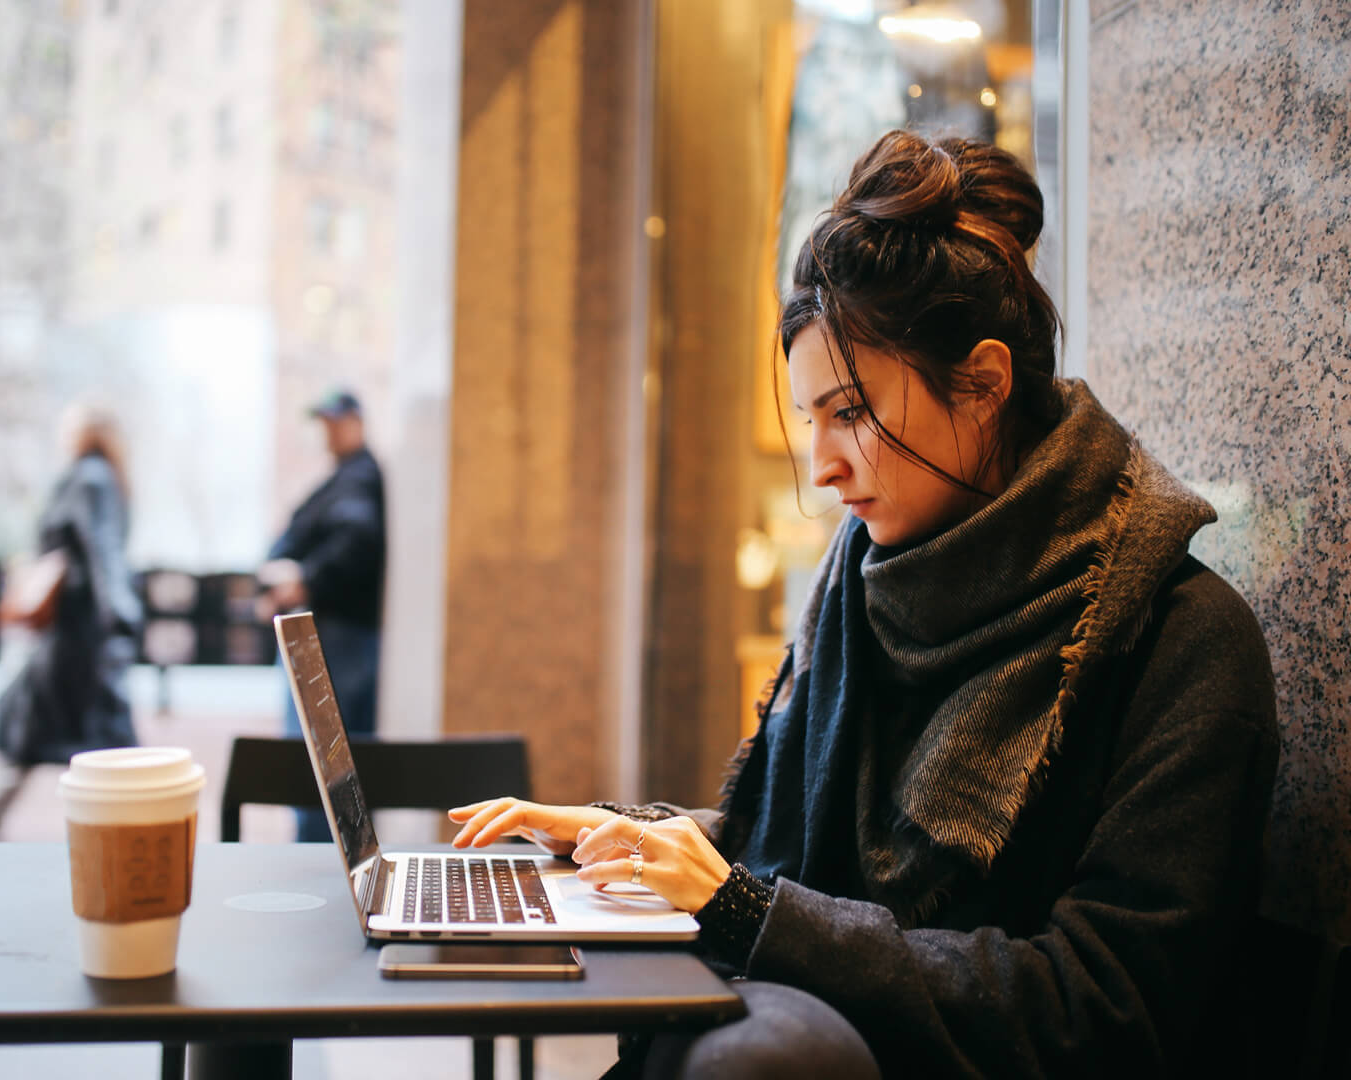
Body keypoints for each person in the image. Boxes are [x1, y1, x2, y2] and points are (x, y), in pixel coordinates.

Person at [447, 131, 1280, 1078]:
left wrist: (742, 909)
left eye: (851, 412)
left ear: (985, 386)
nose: (824, 465)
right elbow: (798, 861)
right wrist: (636, 839)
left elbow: (1107, 1006)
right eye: (812, 419)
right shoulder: (865, 588)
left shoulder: (1180, 640)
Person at [0, 401, 142, 833]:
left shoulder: (89, 479)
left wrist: (119, 613)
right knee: (53, 720)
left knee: (97, 732)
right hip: (76, 629)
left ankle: (133, 817)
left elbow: (102, 549)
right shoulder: (100, 478)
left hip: (83, 632)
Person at [258, 387, 387, 842]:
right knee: (320, 767)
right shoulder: (345, 477)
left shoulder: (358, 477)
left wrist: (305, 579)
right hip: (334, 637)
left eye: (336, 421)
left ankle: (320, 861)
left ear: (356, 421)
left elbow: (356, 538)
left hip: (338, 641)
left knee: (321, 767)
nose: (328, 432)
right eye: (324, 423)